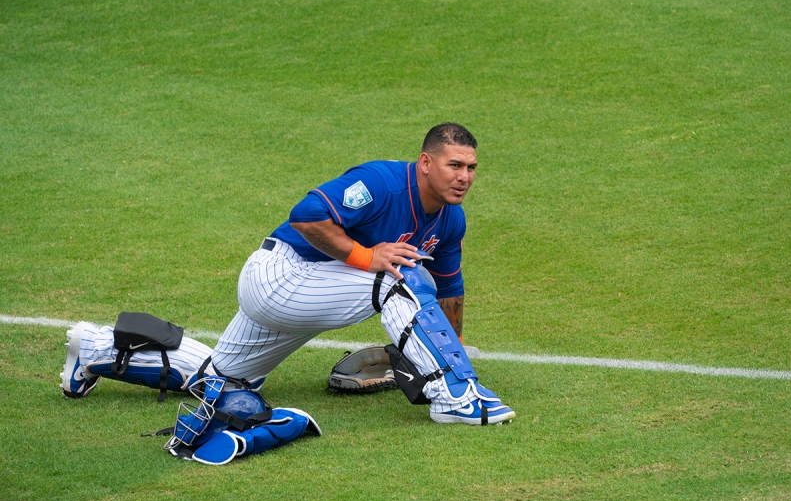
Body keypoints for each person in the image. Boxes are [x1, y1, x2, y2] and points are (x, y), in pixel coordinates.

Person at [62, 123, 515, 425]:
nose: (465, 177)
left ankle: (95, 349)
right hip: (279, 276)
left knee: (226, 383)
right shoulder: (382, 182)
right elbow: (306, 215)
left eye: (471, 167)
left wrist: (444, 348)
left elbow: (451, 292)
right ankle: (456, 399)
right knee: (399, 275)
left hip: (311, 294)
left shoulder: (451, 221)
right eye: (455, 165)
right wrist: (364, 257)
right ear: (426, 163)